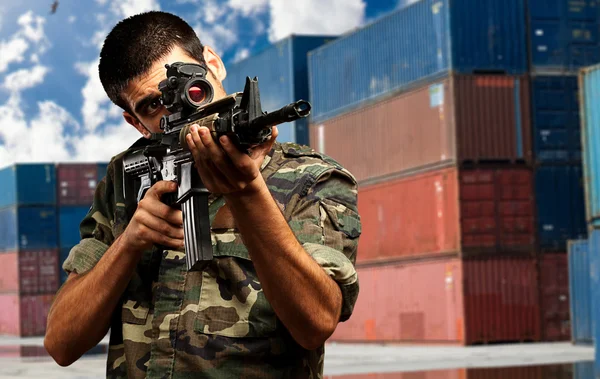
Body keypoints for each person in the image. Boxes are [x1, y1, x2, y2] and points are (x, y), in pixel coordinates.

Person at [44, 10, 361, 379]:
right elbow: (61, 344)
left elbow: (316, 323)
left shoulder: (311, 178)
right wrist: (129, 242)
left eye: (189, 86)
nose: (182, 110)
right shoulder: (124, 180)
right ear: (135, 123)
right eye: (153, 104)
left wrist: (247, 195)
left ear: (212, 63)